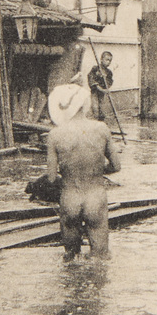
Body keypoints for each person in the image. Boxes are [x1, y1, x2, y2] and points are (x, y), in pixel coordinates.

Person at [47, 84, 121, 261]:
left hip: (70, 198)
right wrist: (96, 170)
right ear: (84, 104)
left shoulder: (55, 134)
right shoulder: (101, 128)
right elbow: (116, 166)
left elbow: (51, 177)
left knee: (71, 259)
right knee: (101, 259)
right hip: (95, 196)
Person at [87, 51, 114, 122]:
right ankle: (94, 123)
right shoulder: (95, 69)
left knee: (102, 109)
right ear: (101, 59)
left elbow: (109, 82)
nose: (108, 62)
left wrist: (106, 84)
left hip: (102, 93)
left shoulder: (109, 72)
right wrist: (98, 85)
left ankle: (101, 123)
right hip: (95, 92)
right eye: (107, 60)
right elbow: (91, 78)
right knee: (95, 108)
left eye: (110, 60)